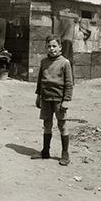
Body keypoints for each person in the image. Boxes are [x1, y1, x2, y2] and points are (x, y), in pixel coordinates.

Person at [32, 34, 73, 166]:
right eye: (49, 46)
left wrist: (66, 100)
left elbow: (69, 84)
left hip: (59, 99)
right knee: (47, 125)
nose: (51, 49)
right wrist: (38, 95)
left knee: (62, 125)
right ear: (46, 47)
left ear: (60, 47)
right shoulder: (44, 62)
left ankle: (65, 153)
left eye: (54, 46)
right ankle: (45, 151)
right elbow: (40, 80)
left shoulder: (65, 63)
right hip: (45, 98)